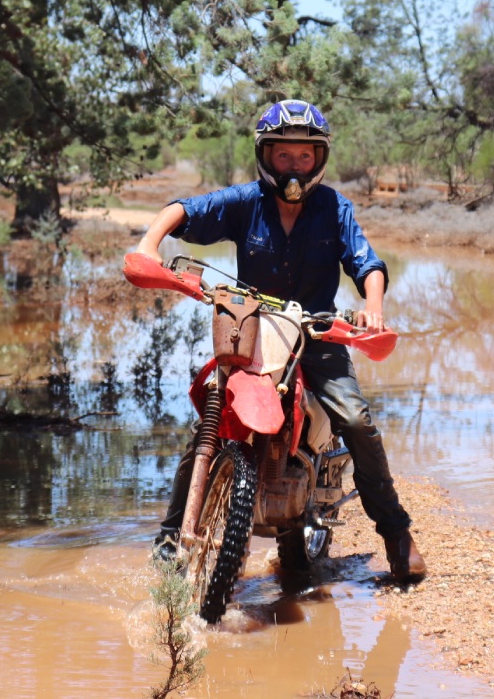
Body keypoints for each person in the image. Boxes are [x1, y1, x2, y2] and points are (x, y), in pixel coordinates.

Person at [136, 98, 427, 581]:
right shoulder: (245, 202)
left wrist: (372, 305)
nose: (295, 166)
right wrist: (149, 245)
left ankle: (396, 535)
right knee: (211, 413)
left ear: (319, 159)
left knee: (355, 419)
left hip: (318, 335)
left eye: (305, 156)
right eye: (285, 156)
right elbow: (184, 211)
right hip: (255, 331)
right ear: (266, 156)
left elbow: (367, 264)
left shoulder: (334, 207)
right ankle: (169, 539)